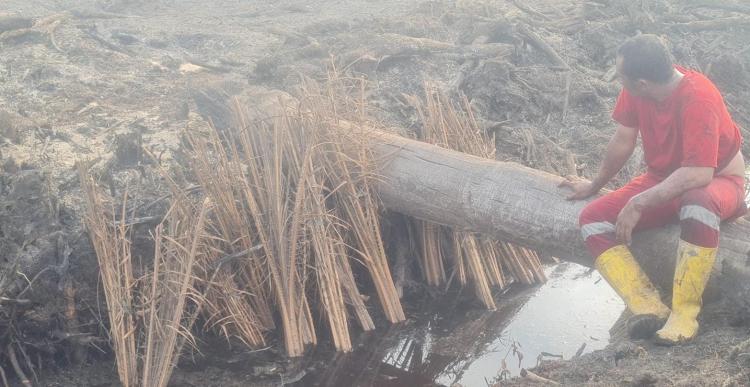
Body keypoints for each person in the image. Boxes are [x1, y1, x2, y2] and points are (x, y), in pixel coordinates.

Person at [559, 34, 746, 345]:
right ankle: (647, 307)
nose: (619, 79)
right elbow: (623, 140)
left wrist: (639, 203)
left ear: (643, 82)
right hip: (663, 179)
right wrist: (594, 184)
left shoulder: (700, 96)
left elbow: (700, 173)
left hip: (719, 182)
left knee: (696, 201)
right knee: (592, 220)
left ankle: (685, 314)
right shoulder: (637, 91)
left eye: (622, 75)